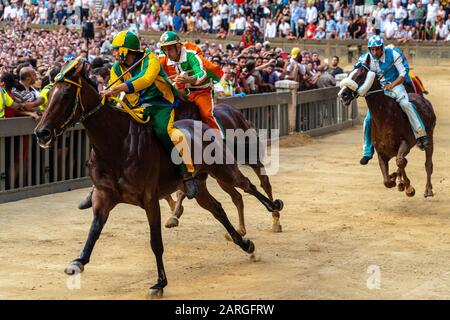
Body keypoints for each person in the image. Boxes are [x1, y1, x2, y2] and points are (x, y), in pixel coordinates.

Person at [78, 30, 198, 210]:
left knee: (164, 132)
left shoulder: (151, 60)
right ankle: (97, 185)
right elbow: (112, 90)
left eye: (117, 50)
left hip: (160, 105)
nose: (114, 53)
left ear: (127, 50)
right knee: (113, 135)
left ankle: (186, 175)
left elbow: (145, 80)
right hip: (135, 107)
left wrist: (117, 89)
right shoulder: (117, 67)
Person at [357, 35, 430, 165]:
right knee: (368, 119)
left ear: (382, 48)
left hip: (396, 86)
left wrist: (392, 85)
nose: (374, 52)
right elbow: (358, 68)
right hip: (380, 90)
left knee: (405, 103)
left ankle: (421, 135)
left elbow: (403, 74)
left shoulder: (394, 53)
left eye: (377, 49)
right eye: (372, 49)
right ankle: (367, 150)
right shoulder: (367, 57)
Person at [158, 31, 224, 139]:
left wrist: (188, 79)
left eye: (170, 49)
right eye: (164, 50)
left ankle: (220, 139)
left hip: (201, 91)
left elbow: (202, 73)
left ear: (178, 47)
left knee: (206, 114)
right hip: (182, 91)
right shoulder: (164, 58)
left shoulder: (191, 54)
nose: (167, 53)